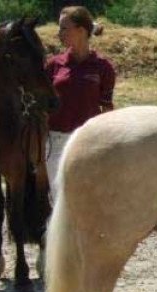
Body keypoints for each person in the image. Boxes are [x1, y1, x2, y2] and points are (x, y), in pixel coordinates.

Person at [45, 5, 116, 200]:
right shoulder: (53, 65)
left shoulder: (104, 67)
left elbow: (107, 109)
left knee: (89, 199)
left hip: (89, 142)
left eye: (63, 28)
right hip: (56, 142)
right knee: (61, 200)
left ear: (81, 31)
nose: (59, 33)